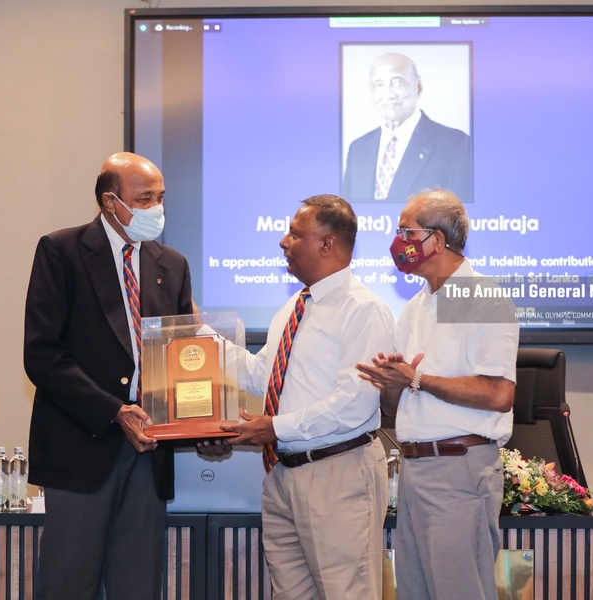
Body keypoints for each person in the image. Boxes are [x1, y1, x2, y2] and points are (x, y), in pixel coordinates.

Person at [23, 151, 193, 600]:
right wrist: (115, 410)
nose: (157, 208)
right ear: (110, 202)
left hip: (149, 452)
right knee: (68, 585)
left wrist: (203, 420)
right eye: (145, 199)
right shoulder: (62, 251)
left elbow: (182, 358)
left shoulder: (172, 264)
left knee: (137, 586)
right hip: (81, 447)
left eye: (161, 197)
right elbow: (42, 356)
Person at [211, 194, 395, 599]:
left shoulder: (364, 309)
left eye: (295, 234)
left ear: (327, 244)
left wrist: (275, 427)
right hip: (283, 474)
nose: (283, 242)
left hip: (338, 472)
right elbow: (262, 376)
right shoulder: (295, 306)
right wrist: (197, 341)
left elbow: (354, 404)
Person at [356, 189, 519, 600]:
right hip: (414, 469)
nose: (397, 241)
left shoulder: (483, 298)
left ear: (438, 240)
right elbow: (399, 403)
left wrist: (417, 378)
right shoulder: (415, 307)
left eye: (405, 232)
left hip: (459, 467)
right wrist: (391, 382)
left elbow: (499, 393)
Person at [342, 52, 471, 202]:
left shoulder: (456, 145)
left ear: (418, 85)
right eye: (379, 84)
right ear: (371, 90)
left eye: (397, 82)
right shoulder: (358, 149)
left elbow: (462, 213)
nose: (389, 94)